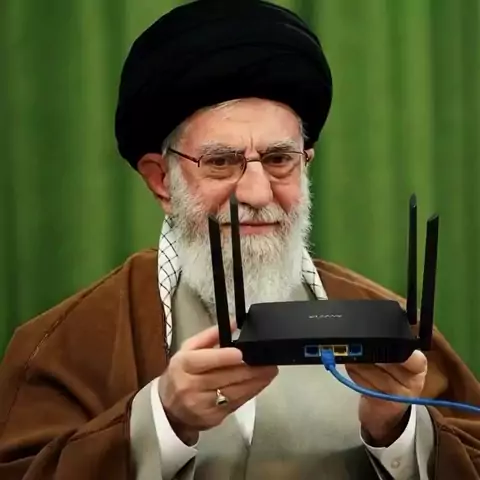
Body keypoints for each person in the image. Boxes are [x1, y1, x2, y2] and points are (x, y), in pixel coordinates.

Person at [1, 1, 480, 479]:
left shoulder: (393, 329)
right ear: (161, 181)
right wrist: (162, 420)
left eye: (279, 160)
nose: (256, 193)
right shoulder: (69, 342)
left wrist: (397, 431)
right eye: (220, 162)